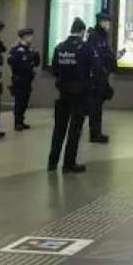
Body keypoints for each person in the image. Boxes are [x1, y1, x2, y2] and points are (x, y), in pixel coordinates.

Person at [49, 18, 93, 173]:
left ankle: (52, 163)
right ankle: (69, 163)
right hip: (79, 95)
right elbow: (93, 68)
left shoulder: (60, 47)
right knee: (74, 130)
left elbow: (54, 70)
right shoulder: (84, 47)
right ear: (82, 31)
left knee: (59, 129)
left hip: (63, 93)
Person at [85, 11, 120, 143]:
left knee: (98, 106)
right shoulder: (94, 37)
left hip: (101, 75)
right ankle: (94, 134)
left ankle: (97, 132)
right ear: (101, 22)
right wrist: (112, 56)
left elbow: (104, 53)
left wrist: (113, 56)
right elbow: (98, 57)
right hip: (96, 77)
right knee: (95, 106)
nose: (109, 25)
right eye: (108, 22)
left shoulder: (101, 36)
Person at [8, 27, 39, 131]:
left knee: (25, 101)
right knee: (19, 101)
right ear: (25, 36)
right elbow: (13, 63)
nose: (32, 38)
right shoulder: (16, 49)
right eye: (30, 36)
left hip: (28, 79)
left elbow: (36, 63)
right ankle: (17, 122)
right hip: (19, 79)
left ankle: (21, 120)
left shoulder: (30, 49)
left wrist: (35, 55)